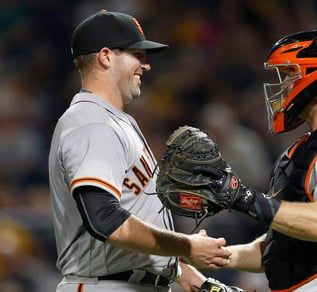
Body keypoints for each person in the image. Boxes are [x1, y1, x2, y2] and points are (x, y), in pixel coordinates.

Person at [48, 10, 234, 292]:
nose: (146, 65)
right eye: (137, 54)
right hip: (105, 285)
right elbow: (105, 221)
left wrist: (194, 280)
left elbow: (133, 225)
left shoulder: (116, 121)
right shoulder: (89, 121)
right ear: (106, 57)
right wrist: (187, 245)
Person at [191, 28, 317, 291]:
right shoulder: (301, 149)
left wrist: (243, 197)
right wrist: (218, 255)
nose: (283, 85)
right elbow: (280, 247)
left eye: (290, 73)